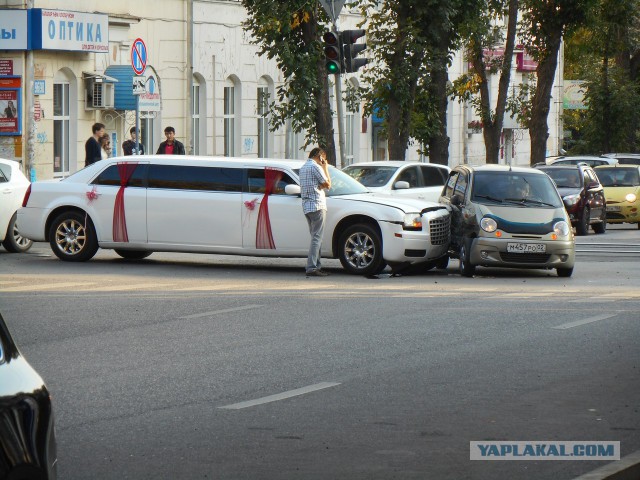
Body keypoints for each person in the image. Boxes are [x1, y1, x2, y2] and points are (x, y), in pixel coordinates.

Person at [299, 147, 331, 277]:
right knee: (317, 237)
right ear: (320, 156)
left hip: (307, 206)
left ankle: (316, 266)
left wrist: (321, 185)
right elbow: (328, 184)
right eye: (323, 159)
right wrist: (326, 168)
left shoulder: (303, 168)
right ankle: (312, 267)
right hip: (317, 204)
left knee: (315, 237)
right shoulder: (315, 167)